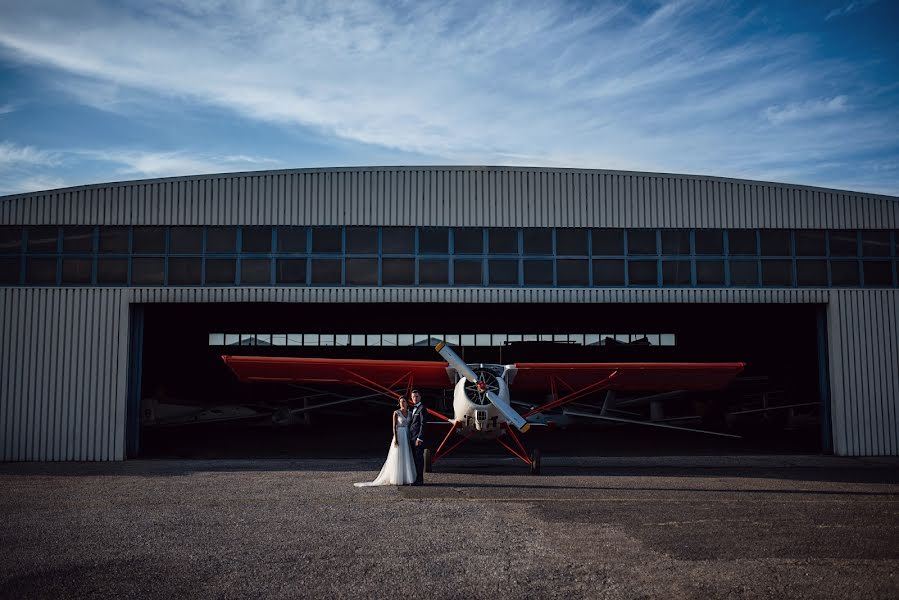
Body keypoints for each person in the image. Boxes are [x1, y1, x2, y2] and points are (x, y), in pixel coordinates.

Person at [354, 396, 417, 487]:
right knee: (398, 455)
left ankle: (407, 477)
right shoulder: (396, 413)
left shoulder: (410, 413)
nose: (402, 403)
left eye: (404, 402)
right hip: (399, 434)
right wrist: (395, 438)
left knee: (407, 455)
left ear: (407, 403)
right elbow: (394, 426)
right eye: (400, 402)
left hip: (407, 435)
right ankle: (397, 477)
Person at [407, 389, 426, 485]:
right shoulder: (412, 408)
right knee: (413, 459)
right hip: (411, 437)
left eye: (417, 396)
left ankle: (419, 480)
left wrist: (420, 438)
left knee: (419, 459)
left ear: (420, 397)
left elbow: (423, 424)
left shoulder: (422, 408)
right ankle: (414, 478)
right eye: (413, 397)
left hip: (417, 439)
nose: (415, 398)